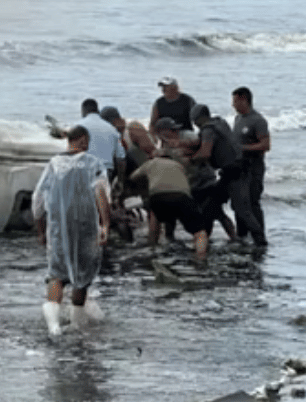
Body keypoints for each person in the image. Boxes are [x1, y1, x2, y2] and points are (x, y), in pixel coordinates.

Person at [32, 125, 112, 336]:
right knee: (82, 277)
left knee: (56, 275)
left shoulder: (53, 164)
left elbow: (37, 201)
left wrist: (40, 230)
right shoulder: (94, 164)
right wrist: (105, 224)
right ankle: (78, 327)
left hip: (58, 228)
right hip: (86, 227)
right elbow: (101, 195)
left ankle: (54, 326)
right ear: (84, 140)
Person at [192, 103, 265, 247]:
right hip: (232, 173)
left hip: (236, 175)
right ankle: (209, 239)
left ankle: (261, 242)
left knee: (242, 210)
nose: (195, 125)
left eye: (195, 122)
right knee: (211, 204)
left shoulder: (207, 130)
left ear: (198, 119)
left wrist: (190, 160)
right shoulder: (220, 123)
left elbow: (205, 153)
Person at [129, 151, 210, 259]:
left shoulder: (151, 163)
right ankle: (200, 258)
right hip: (181, 197)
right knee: (200, 232)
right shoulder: (179, 165)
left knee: (155, 214)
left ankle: (152, 247)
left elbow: (133, 177)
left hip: (158, 197)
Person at [231, 86, 270, 245]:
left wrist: (242, 148)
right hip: (240, 167)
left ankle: (259, 238)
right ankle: (242, 235)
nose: (233, 105)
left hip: (254, 166)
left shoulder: (258, 121)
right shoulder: (238, 119)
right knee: (239, 202)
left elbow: (265, 145)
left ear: (244, 99)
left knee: (253, 202)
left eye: (235, 101)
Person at [77, 98, 126, 185]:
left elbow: (72, 152)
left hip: (84, 170)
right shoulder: (112, 129)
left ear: (83, 111)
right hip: (105, 171)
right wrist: (120, 181)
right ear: (97, 110)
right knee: (103, 197)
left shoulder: (78, 126)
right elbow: (121, 158)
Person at [101, 106, 156, 174]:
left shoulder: (133, 128)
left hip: (148, 172)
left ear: (120, 121)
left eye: (111, 124)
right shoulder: (112, 138)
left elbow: (153, 151)